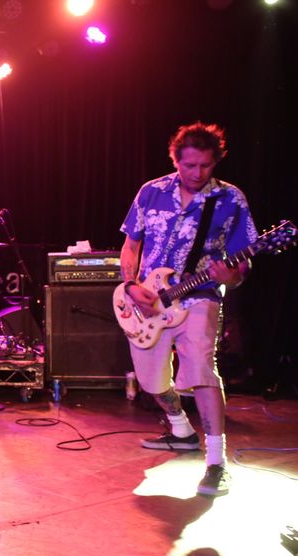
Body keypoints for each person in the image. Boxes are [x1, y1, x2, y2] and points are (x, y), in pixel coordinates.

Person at [120, 122, 257, 496]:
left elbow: (241, 266)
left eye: (206, 166)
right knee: (151, 381)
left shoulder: (230, 199)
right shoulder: (151, 191)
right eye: (190, 166)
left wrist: (231, 276)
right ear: (175, 160)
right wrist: (130, 285)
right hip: (150, 301)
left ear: (216, 162)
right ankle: (181, 429)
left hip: (200, 296)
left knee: (201, 369)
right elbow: (131, 245)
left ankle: (216, 462)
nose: (197, 173)